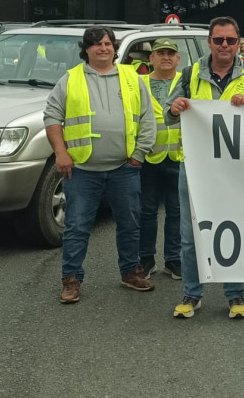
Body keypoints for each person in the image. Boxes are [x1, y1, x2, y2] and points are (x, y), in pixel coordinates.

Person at [164, 17, 244, 320]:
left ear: (240, 43)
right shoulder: (189, 73)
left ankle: (235, 295)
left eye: (231, 41)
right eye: (219, 40)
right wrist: (175, 108)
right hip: (194, 166)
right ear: (209, 42)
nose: (225, 46)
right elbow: (168, 113)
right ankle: (191, 294)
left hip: (235, 168)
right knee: (189, 233)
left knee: (233, 228)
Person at [44, 26, 157, 304]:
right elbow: (52, 117)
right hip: (82, 170)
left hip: (124, 167)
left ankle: (130, 271)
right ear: (87, 49)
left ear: (114, 48)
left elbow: (147, 117)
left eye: (107, 43)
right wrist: (60, 152)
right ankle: (71, 279)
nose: (103, 48)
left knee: (130, 224)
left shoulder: (132, 77)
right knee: (77, 227)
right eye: (96, 44)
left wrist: (139, 155)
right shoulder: (70, 79)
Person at [137, 39, 184, 280]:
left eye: (171, 53)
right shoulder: (139, 84)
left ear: (178, 59)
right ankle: (146, 259)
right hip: (148, 158)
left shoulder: (185, 82)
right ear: (151, 59)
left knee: (176, 211)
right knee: (147, 211)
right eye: (160, 53)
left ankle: (173, 260)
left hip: (178, 157)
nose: (166, 57)